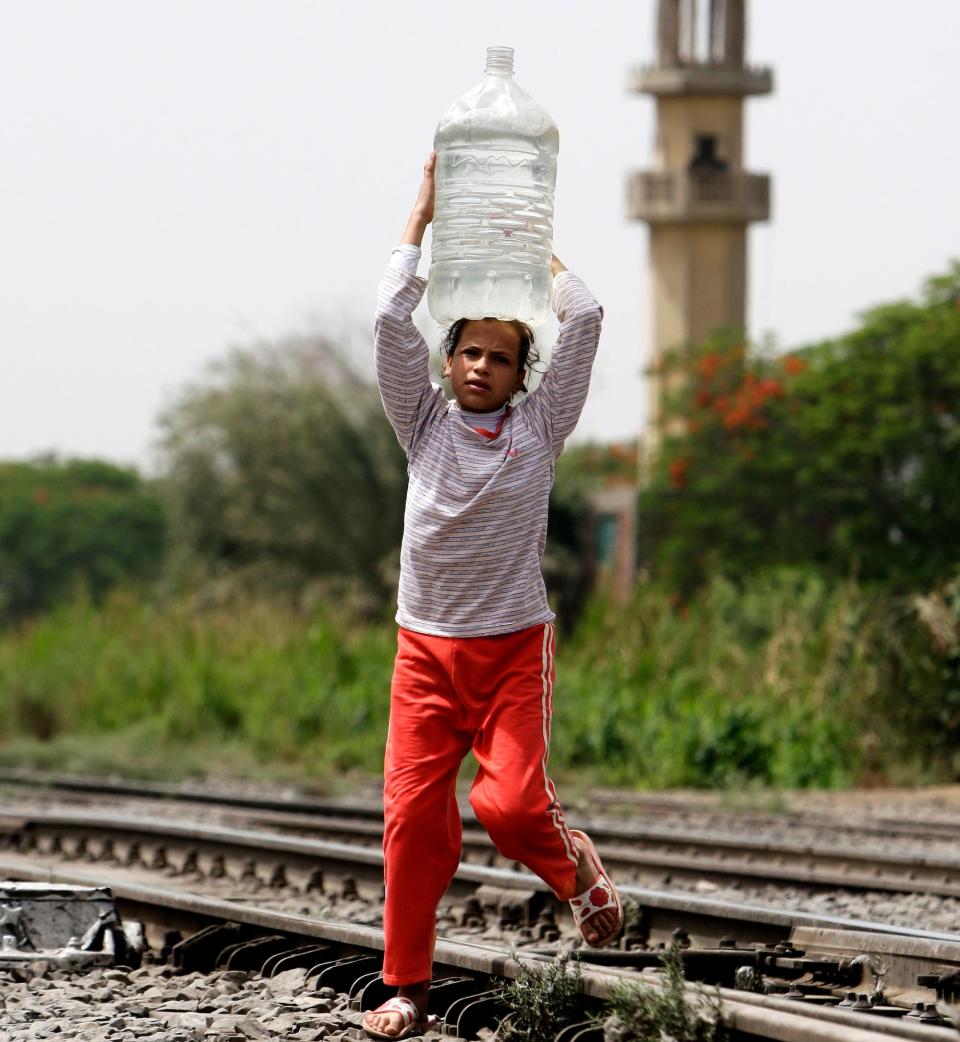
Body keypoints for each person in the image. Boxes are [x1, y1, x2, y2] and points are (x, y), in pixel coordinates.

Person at [363, 151, 621, 1040]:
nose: (481, 366)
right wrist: (424, 213)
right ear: (449, 363)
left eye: (500, 357)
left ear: (521, 375)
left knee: (506, 807)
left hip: (511, 646)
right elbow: (388, 319)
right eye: (469, 351)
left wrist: (533, 245)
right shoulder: (422, 422)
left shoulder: (542, 428)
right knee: (413, 823)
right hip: (425, 652)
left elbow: (584, 312)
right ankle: (407, 991)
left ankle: (574, 868)